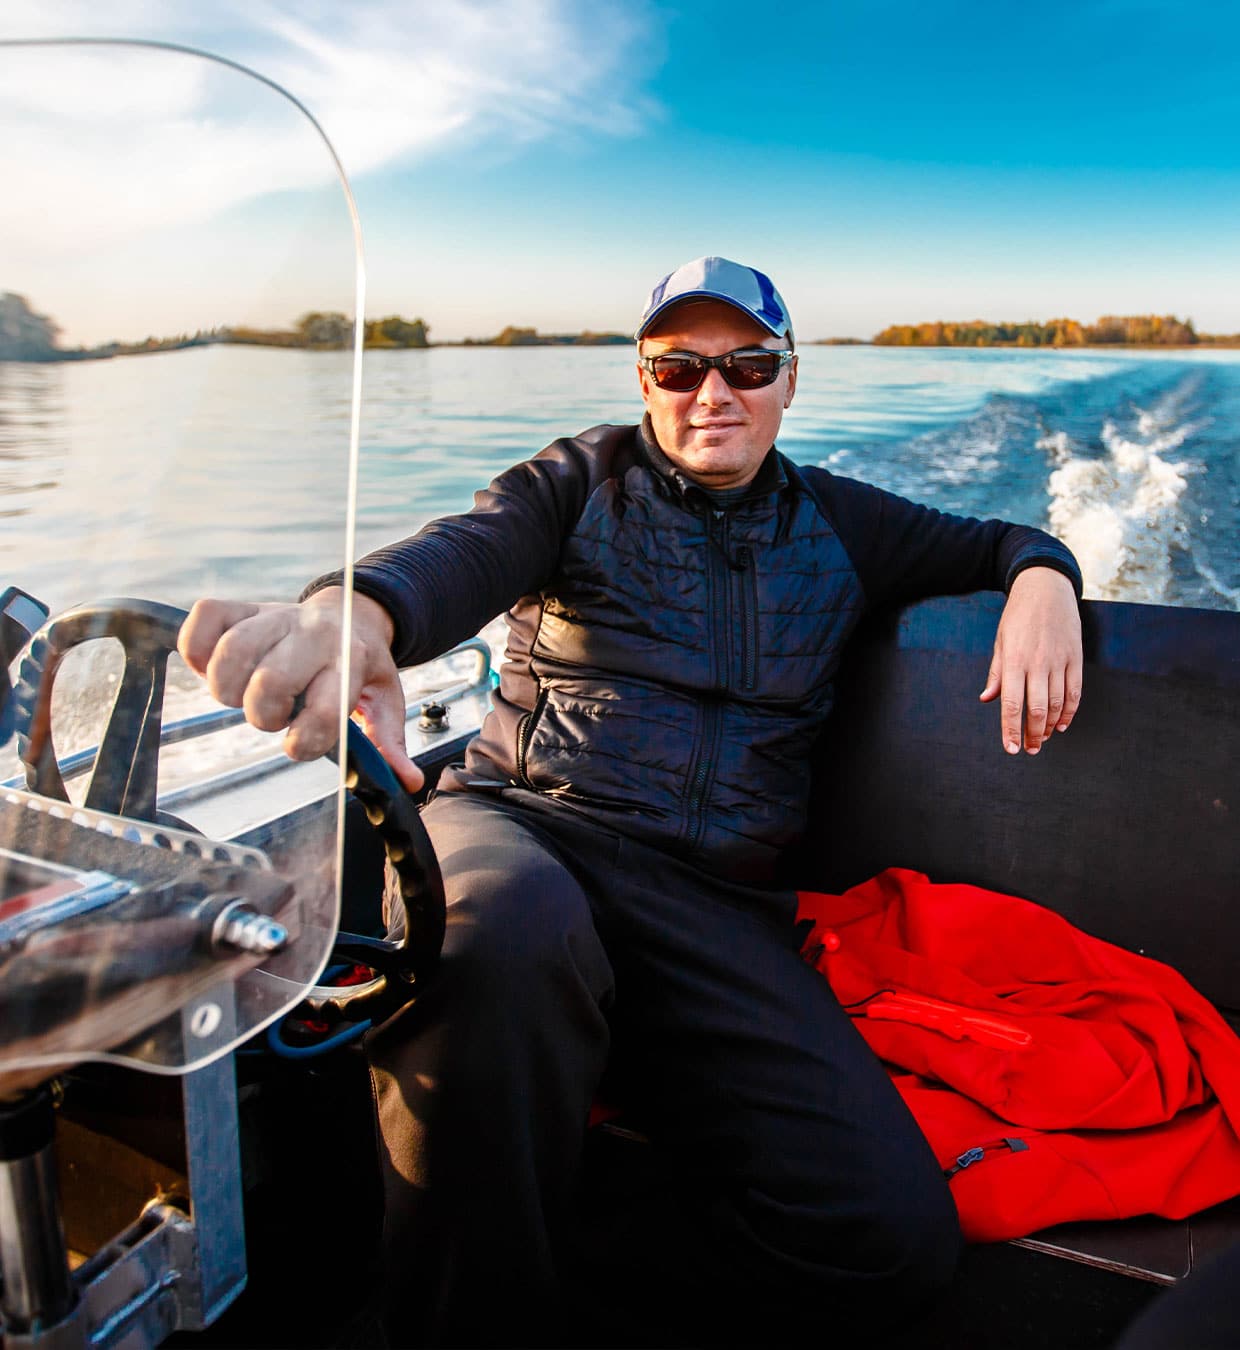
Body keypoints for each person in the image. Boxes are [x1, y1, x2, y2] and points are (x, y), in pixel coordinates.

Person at [179, 257, 1084, 1347]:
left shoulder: (845, 524)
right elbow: (458, 556)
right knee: (504, 932)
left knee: (882, 1239)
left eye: (747, 364)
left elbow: (995, 540)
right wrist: (357, 613)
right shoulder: (575, 482)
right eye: (679, 367)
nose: (715, 393)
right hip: (524, 826)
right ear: (642, 381)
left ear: (789, 382)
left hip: (713, 905)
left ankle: (547, 1295)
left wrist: (1042, 580)